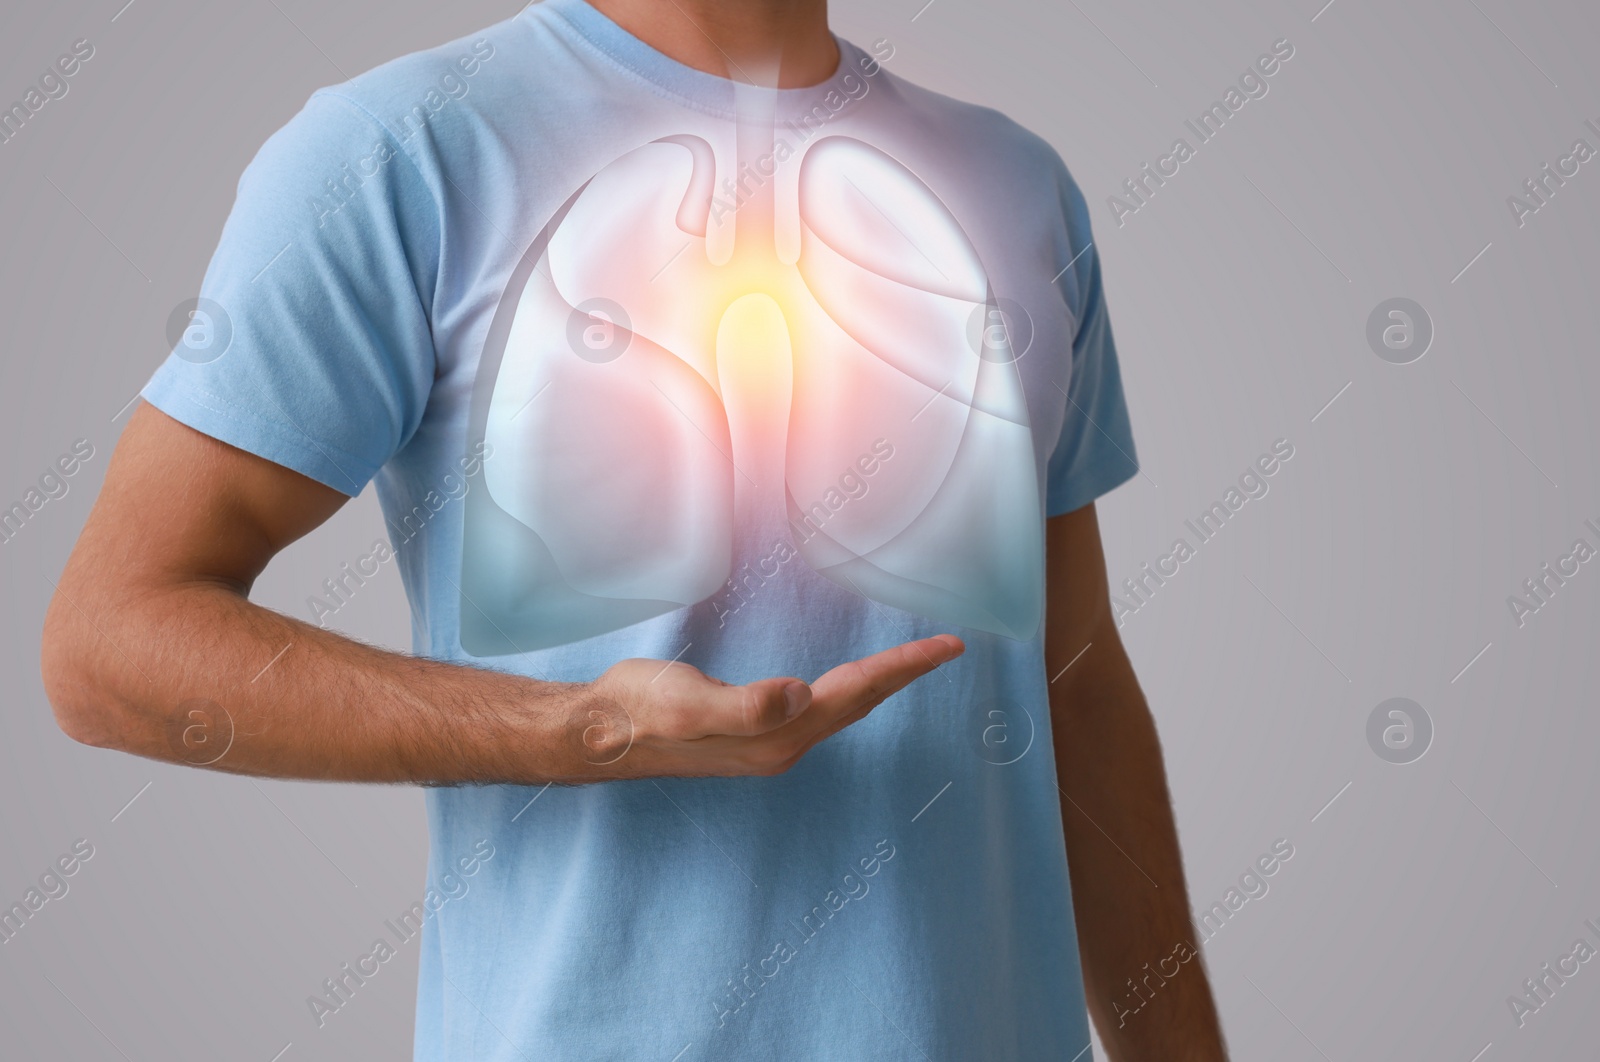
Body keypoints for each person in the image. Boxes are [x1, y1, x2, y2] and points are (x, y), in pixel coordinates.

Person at [41, 0, 1226, 1057]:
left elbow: (1072, 686)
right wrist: (585, 725)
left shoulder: (1015, 185)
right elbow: (108, 646)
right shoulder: (405, 150)